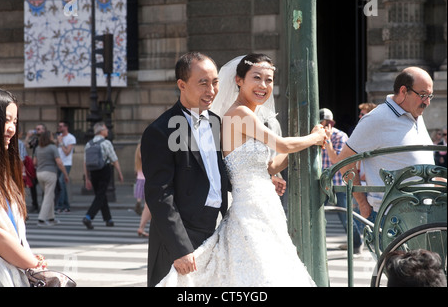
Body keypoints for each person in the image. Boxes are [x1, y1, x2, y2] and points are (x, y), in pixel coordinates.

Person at [154, 53, 328, 287]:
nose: (263, 86)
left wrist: (268, 176)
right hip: (235, 213)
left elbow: (254, 166)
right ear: (238, 80)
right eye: (257, 78)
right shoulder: (238, 114)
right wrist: (314, 137)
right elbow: (159, 195)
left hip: (258, 206)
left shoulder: (217, 121)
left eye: (269, 80)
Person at [141, 52, 230, 287]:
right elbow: (160, 194)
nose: (211, 90)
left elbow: (216, 172)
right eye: (203, 83)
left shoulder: (215, 122)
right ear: (182, 85)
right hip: (181, 236)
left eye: (215, 82)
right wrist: (180, 248)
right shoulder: (160, 130)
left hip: (215, 230)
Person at [338, 67, 436, 221]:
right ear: (404, 91)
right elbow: (345, 160)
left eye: (430, 96)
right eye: (423, 95)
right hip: (391, 217)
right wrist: (362, 203)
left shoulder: (415, 114)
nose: (428, 102)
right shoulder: (376, 119)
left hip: (424, 214)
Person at [0, 88, 47, 286]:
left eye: (15, 122)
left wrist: (26, 257)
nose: (11, 128)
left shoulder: (6, 176)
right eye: (6, 120)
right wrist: (34, 263)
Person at [320, 108, 363, 254]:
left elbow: (336, 160)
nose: (324, 126)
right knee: (316, 213)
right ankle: (317, 244)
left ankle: (356, 244)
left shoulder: (340, 136)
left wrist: (327, 142)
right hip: (321, 182)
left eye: (327, 123)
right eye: (321, 123)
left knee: (345, 216)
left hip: (338, 182)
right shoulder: (313, 135)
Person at [82, 122, 124, 230]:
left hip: (93, 171)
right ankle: (88, 217)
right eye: (105, 129)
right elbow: (114, 159)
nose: (107, 131)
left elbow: (85, 163)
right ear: (101, 131)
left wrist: (87, 178)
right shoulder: (106, 143)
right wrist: (119, 173)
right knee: (100, 195)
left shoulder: (88, 144)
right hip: (104, 170)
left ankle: (108, 219)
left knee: (101, 194)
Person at [33, 131, 70, 227]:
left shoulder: (38, 148)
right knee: (48, 196)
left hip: (39, 173)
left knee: (49, 195)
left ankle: (51, 218)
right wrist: (65, 174)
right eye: (52, 136)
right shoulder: (52, 148)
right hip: (50, 173)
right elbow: (59, 162)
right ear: (49, 137)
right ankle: (41, 219)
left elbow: (34, 162)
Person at [24, 123, 46, 213]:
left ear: (44, 130)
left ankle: (44, 205)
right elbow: (27, 145)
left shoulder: (46, 140)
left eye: (39, 129)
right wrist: (27, 136)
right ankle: (35, 204)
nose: (37, 131)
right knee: (32, 185)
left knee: (44, 187)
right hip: (34, 166)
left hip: (43, 166)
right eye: (36, 129)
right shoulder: (35, 140)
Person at [55, 121, 76, 213]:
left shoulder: (71, 138)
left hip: (66, 163)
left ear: (66, 127)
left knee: (61, 181)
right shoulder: (59, 137)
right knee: (60, 184)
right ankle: (66, 205)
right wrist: (57, 141)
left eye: (61, 126)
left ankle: (60, 205)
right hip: (58, 163)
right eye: (59, 126)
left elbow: (67, 152)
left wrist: (61, 142)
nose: (59, 128)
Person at [134, 142, 151, 237]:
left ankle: (144, 227)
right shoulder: (142, 146)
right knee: (148, 206)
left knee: (150, 206)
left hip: (142, 180)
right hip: (145, 180)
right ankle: (141, 227)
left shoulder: (140, 147)